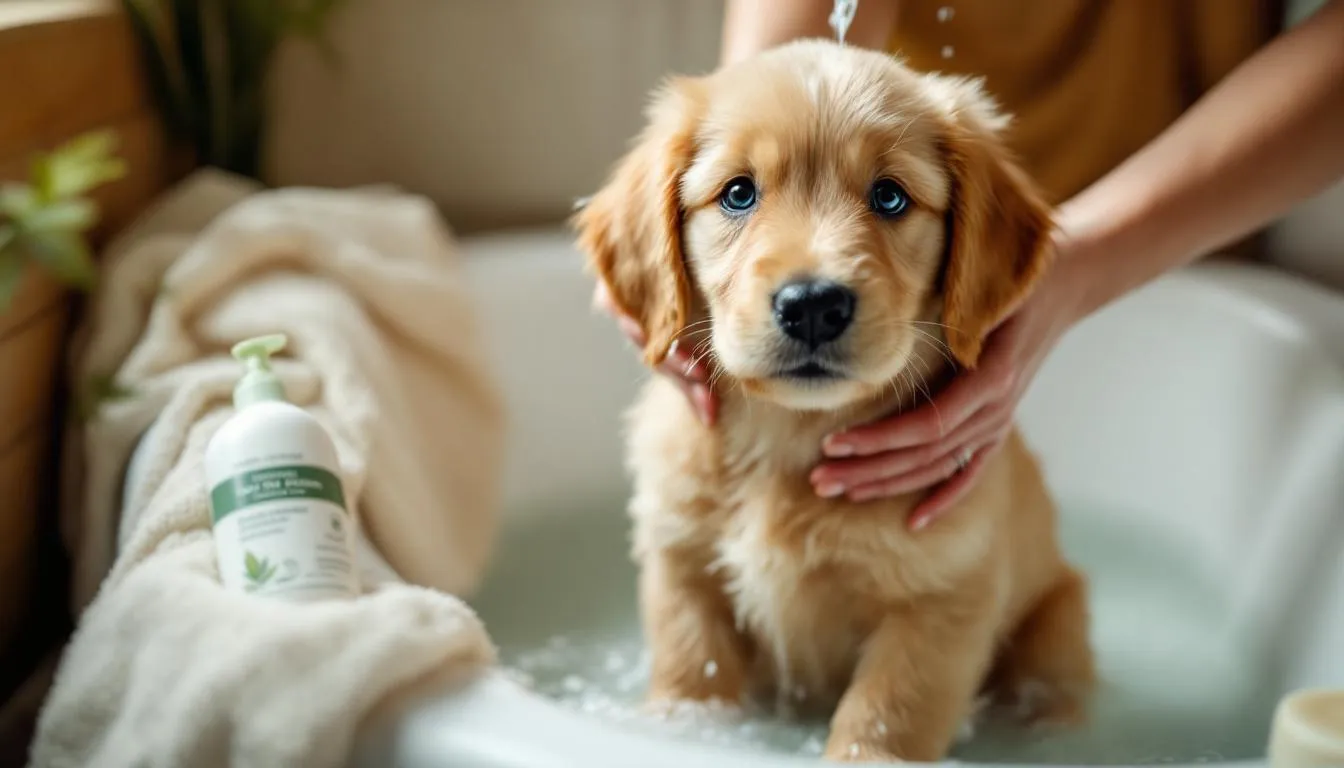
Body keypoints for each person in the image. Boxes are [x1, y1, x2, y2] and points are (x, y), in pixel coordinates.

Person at [597, 0, 1344, 530]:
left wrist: (1074, 261)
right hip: (916, 203)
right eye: (737, 195)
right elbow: (783, 88)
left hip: (1177, 244)